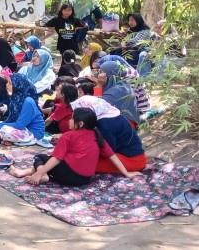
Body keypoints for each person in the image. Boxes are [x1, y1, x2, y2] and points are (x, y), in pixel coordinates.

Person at [9, 108, 141, 186]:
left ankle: (42, 175)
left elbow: (56, 159)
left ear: (81, 123)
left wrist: (39, 173)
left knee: (41, 157)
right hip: (85, 179)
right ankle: (23, 172)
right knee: (48, 161)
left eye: (72, 119)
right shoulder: (97, 134)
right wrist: (126, 173)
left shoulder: (68, 136)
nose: (69, 121)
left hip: (69, 176)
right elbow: (112, 155)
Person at [71, 95, 148, 174]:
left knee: (83, 163)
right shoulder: (110, 114)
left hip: (132, 160)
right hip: (131, 156)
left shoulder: (104, 124)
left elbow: (108, 151)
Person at [0, 73, 48, 146]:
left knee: (4, 130)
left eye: (10, 83)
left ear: (18, 86)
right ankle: (8, 139)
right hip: (18, 129)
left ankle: (7, 139)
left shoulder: (28, 101)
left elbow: (20, 125)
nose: (7, 85)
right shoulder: (15, 98)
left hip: (32, 133)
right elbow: (10, 120)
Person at [94, 56, 143, 126]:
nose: (99, 75)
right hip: (125, 122)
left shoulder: (117, 91)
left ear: (107, 74)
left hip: (126, 126)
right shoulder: (122, 85)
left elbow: (97, 108)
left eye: (101, 72)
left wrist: (98, 86)